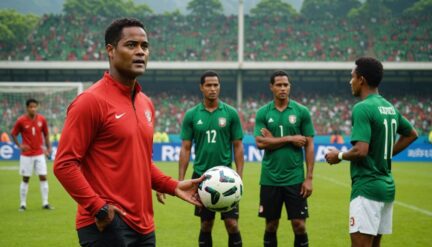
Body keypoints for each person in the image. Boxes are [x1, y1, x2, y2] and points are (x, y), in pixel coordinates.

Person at [53, 18, 203, 247]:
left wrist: (172, 186)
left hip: (144, 225)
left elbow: (141, 163)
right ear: (110, 51)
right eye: (131, 45)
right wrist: (99, 208)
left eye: (144, 46)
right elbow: (64, 164)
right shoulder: (90, 101)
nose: (140, 52)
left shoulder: (146, 103)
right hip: (105, 224)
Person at [325, 57, 418, 247]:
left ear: (362, 80)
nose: (350, 81)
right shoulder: (389, 107)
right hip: (386, 187)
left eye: (352, 77)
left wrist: (339, 156)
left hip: (367, 187)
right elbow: (412, 134)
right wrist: (384, 154)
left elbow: (360, 151)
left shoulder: (363, 108)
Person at [158, 70, 244, 247]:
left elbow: (238, 146)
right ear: (201, 88)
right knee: (206, 224)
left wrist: (239, 177)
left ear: (219, 87)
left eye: (216, 85)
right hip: (202, 178)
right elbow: (186, 148)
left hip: (226, 178)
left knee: (232, 224)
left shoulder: (230, 113)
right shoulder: (192, 115)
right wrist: (180, 179)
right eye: (209, 85)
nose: (213, 89)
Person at [254, 70, 315, 247]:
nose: (283, 88)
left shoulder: (301, 111)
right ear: (271, 87)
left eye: (286, 85)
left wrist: (309, 178)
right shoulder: (263, 112)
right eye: (279, 85)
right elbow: (259, 142)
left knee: (299, 226)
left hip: (295, 178)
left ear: (290, 87)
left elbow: (309, 144)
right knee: (271, 225)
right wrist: (290, 138)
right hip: (270, 178)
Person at [11, 98, 52, 211]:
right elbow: (13, 134)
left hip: (39, 153)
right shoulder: (21, 120)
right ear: (27, 108)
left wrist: (48, 148)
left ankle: (45, 203)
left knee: (43, 176)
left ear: (37, 107)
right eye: (31, 107)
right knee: (25, 178)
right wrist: (20, 146)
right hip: (27, 155)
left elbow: (46, 134)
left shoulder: (42, 119)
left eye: (35, 106)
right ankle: (23, 204)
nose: (33, 108)